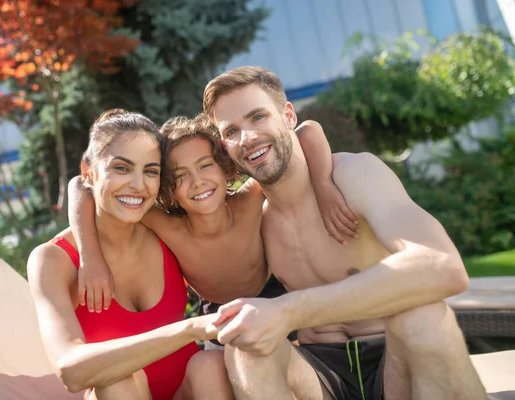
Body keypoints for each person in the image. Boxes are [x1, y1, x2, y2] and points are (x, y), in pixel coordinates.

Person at [203, 66, 487, 400]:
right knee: (245, 352)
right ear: (225, 145)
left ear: (288, 115)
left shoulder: (353, 175)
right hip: (321, 375)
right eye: (232, 131)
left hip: (394, 363)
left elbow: (443, 267)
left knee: (424, 316)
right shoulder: (252, 218)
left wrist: (290, 309)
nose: (247, 138)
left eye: (258, 117)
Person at [27, 109, 234, 400]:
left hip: (188, 392)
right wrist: (190, 329)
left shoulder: (164, 231)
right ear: (89, 171)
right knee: (116, 379)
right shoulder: (54, 260)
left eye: (150, 171)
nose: (138, 185)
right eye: (122, 168)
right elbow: (70, 371)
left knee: (209, 365)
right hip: (120, 395)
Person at [68, 114, 358, 319]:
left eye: (205, 165)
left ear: (225, 168)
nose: (197, 181)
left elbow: (306, 131)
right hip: (215, 313)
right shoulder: (169, 226)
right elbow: (80, 185)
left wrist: (323, 185)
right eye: (180, 176)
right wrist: (90, 257)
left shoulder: (250, 199)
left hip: (275, 297)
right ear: (168, 188)